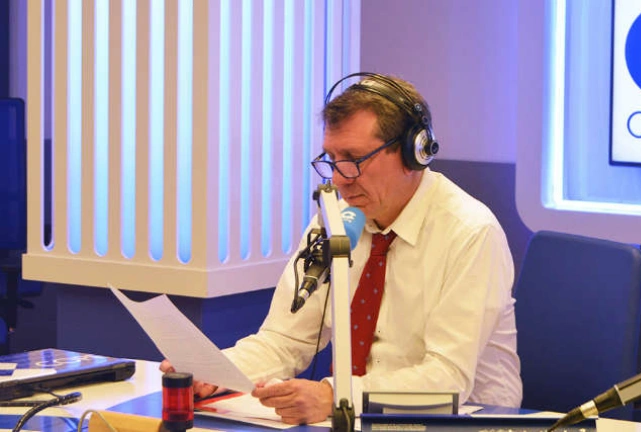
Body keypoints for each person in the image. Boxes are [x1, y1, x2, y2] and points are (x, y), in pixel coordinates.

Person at [161, 72, 522, 424]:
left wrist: (335, 397)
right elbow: (285, 339)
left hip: (468, 420)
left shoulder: (470, 233)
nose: (338, 179)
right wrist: (216, 372)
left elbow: (447, 381)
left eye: (353, 159)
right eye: (331, 159)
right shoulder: (338, 218)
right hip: (354, 419)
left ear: (413, 154)